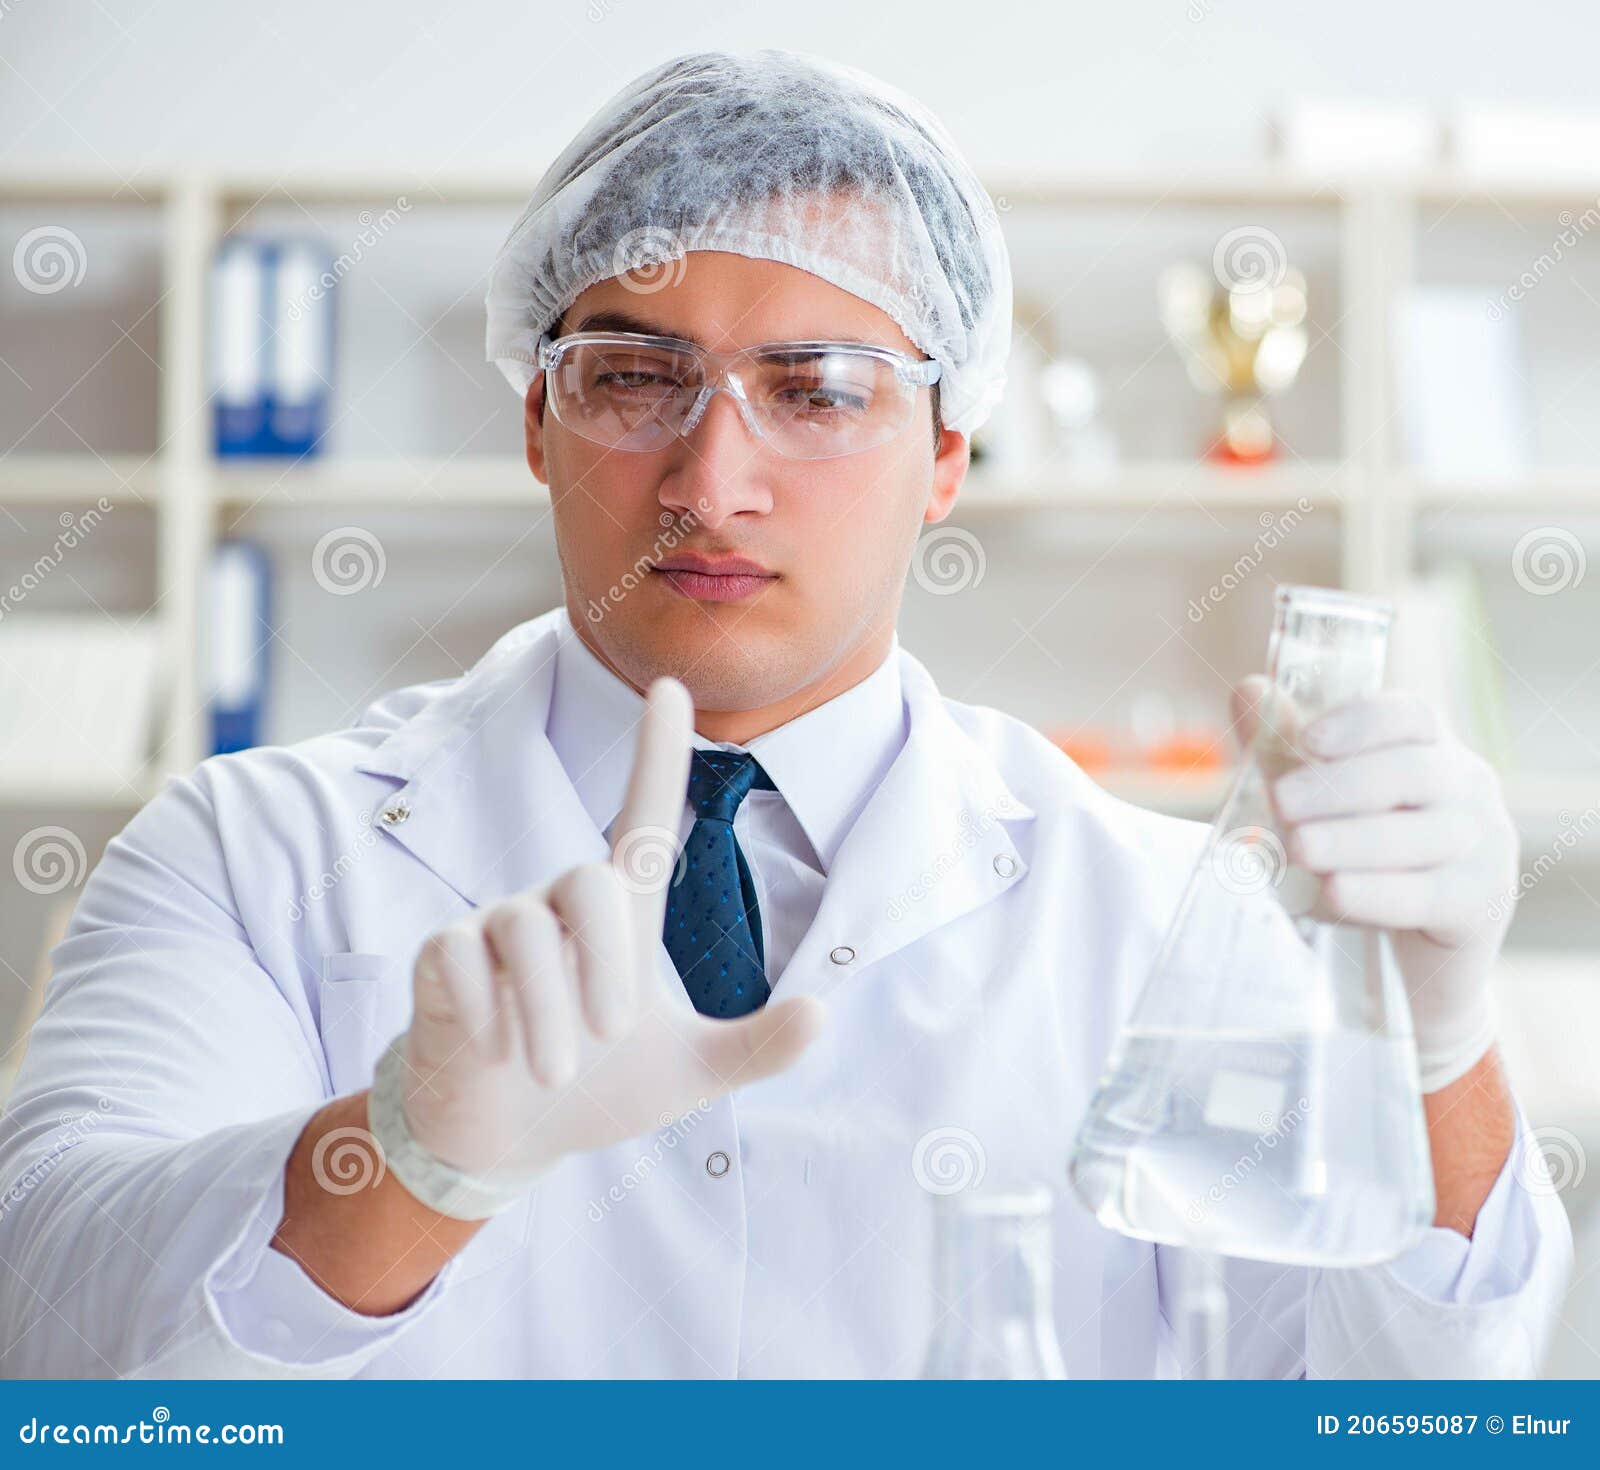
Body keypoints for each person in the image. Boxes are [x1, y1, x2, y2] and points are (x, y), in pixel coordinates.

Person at [0, 49, 1570, 1379]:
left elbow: (1394, 1406)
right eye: (634, 377)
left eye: (815, 388)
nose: (712, 479)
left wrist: (1433, 1043)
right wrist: (401, 1160)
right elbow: (44, 1322)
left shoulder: (1162, 916)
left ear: (950, 447)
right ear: (536, 418)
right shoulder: (247, 851)